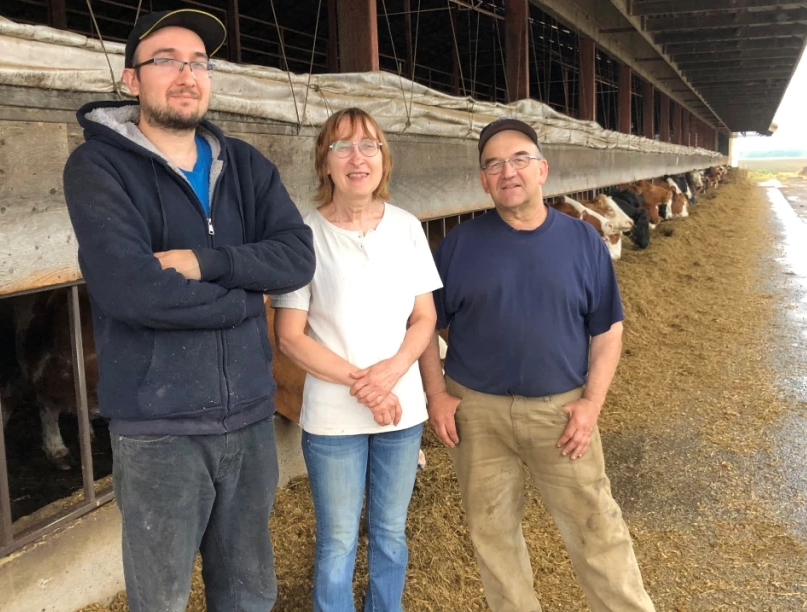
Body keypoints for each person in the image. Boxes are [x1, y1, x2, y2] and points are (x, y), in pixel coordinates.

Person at [62, 10, 315, 611]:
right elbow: (131, 290)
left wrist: (205, 264)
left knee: (250, 592)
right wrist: (246, 298)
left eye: (199, 62)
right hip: (160, 428)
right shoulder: (97, 169)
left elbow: (296, 257)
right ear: (131, 80)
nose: (187, 73)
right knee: (162, 598)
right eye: (167, 59)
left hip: (251, 419)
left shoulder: (246, 165)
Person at [417, 117, 656, 612]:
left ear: (543, 170)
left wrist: (591, 403)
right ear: (483, 180)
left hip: (562, 412)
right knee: (493, 537)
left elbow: (608, 329)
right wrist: (436, 395)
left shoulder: (583, 241)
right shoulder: (458, 246)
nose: (508, 171)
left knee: (598, 531)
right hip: (477, 416)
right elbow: (424, 326)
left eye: (520, 159)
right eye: (494, 164)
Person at [272, 108, 440, 612]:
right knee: (339, 539)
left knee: (390, 531)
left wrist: (390, 374)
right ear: (324, 163)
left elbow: (425, 318)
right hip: (333, 416)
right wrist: (365, 384)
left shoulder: (407, 227)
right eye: (341, 146)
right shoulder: (304, 235)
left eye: (369, 145)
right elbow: (289, 336)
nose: (356, 157)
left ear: (383, 161)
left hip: (402, 409)